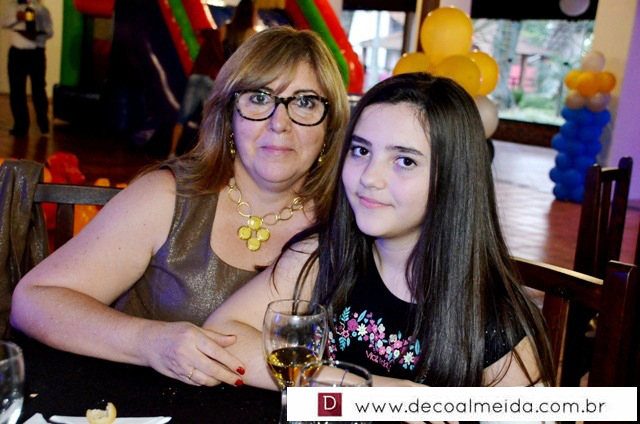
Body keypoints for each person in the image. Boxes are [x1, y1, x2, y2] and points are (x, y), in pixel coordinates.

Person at [10, 27, 349, 388]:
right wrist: (148, 341)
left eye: (305, 102)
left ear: (330, 127)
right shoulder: (167, 197)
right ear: (228, 115)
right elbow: (32, 301)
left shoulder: (350, 223)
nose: (279, 123)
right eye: (259, 98)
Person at [205, 73, 555, 389]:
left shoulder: (493, 320)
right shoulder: (322, 256)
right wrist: (361, 388)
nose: (369, 177)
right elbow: (222, 334)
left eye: (405, 161)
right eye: (361, 151)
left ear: (453, 179)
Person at [168, 28, 226, 158]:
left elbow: (197, 32)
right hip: (211, 79)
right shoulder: (227, 45)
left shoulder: (213, 34)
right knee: (207, 120)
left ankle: (171, 152)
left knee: (182, 118)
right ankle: (203, 155)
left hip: (197, 75)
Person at [2, 0, 53, 136]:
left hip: (35, 52)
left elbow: (49, 32)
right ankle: (20, 126)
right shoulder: (12, 7)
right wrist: (16, 17)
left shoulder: (41, 10)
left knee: (38, 89)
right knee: (17, 90)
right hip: (17, 52)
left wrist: (35, 37)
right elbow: (3, 23)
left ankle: (43, 124)